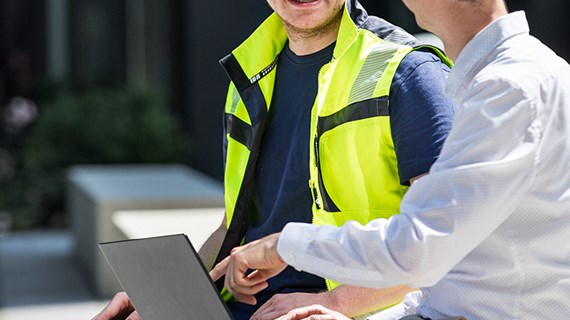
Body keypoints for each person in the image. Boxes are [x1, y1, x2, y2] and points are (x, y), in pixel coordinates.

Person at [92, 0, 456, 319]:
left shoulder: (408, 73)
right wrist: (160, 301)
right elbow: (230, 226)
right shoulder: (249, 74)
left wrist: (336, 302)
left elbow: (448, 238)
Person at [209, 0, 570, 319]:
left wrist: (294, 254)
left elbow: (421, 250)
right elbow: (442, 286)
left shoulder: (503, 87)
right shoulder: (249, 70)